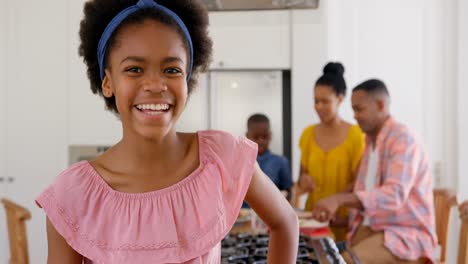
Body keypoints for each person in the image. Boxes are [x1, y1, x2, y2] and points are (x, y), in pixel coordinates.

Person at [35, 0, 299, 263]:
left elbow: (285, 221)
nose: (155, 84)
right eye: (134, 69)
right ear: (107, 82)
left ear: (187, 79)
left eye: (171, 70)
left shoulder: (221, 157)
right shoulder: (73, 196)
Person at [311, 79, 437, 263]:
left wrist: (338, 199)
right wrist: (341, 217)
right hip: (375, 231)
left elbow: (394, 194)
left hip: (406, 237)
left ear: (380, 105)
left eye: (359, 109)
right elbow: (367, 197)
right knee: (317, 256)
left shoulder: (403, 139)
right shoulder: (370, 143)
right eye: (353, 110)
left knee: (343, 260)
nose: (354, 116)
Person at [297, 62, 365, 240]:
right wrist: (304, 181)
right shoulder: (307, 134)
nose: (318, 106)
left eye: (325, 101)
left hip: (343, 221)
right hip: (313, 221)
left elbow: (360, 183)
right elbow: (301, 176)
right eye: (315, 101)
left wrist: (335, 201)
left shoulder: (356, 135)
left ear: (340, 99)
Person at [246, 113, 293, 198]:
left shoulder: (281, 162)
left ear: (270, 136)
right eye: (256, 137)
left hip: (270, 210)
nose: (260, 141)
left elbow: (288, 192)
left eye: (264, 137)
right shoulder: (241, 161)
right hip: (242, 210)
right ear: (247, 136)